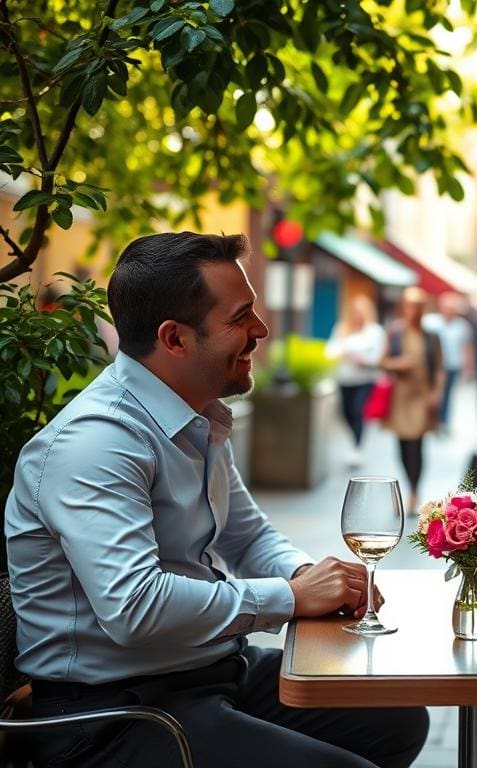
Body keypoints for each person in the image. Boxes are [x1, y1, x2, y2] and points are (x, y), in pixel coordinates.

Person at [4, 232, 428, 768]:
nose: (261, 330)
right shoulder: (96, 442)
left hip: (207, 671)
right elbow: (136, 608)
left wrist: (313, 576)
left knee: (398, 718)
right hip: (112, 716)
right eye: (240, 316)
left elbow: (248, 536)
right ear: (175, 338)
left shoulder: (197, 415)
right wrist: (293, 597)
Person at [381, 286, 444, 512]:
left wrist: (436, 392)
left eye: (417, 307)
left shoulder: (431, 336)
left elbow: (439, 367)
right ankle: (409, 484)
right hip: (400, 397)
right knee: (402, 445)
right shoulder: (394, 333)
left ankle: (414, 491)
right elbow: (383, 361)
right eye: (409, 307)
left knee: (416, 445)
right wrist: (398, 364)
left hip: (421, 396)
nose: (412, 312)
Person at [327, 295, 387, 467]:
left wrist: (362, 359)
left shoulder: (374, 331)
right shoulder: (342, 328)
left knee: (357, 411)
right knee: (345, 413)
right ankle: (354, 441)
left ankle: (357, 448)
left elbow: (378, 357)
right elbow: (330, 350)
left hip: (365, 379)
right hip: (344, 379)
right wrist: (343, 353)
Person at [422, 291, 474, 435]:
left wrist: (468, 368)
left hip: (452, 366)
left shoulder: (462, 326)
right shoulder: (430, 322)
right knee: (433, 394)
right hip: (433, 366)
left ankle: (443, 422)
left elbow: (467, 348)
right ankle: (431, 421)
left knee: (447, 396)